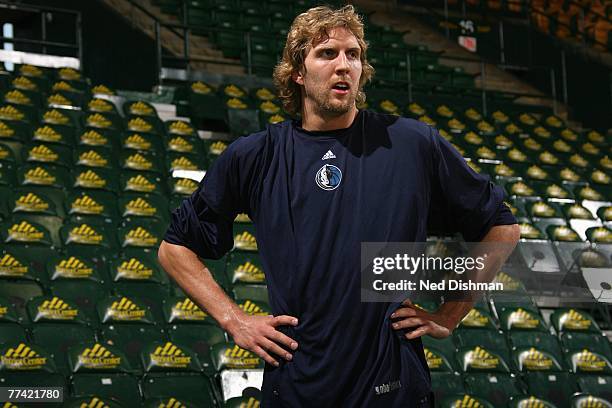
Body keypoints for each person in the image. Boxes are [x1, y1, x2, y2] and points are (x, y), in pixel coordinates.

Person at [158, 5, 520, 407]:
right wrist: (235, 319)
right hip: (299, 385)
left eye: (354, 55)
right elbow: (174, 248)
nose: (344, 65)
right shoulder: (257, 155)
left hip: (393, 388)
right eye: (327, 53)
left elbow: (502, 226)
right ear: (297, 71)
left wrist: (450, 314)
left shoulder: (412, 144)